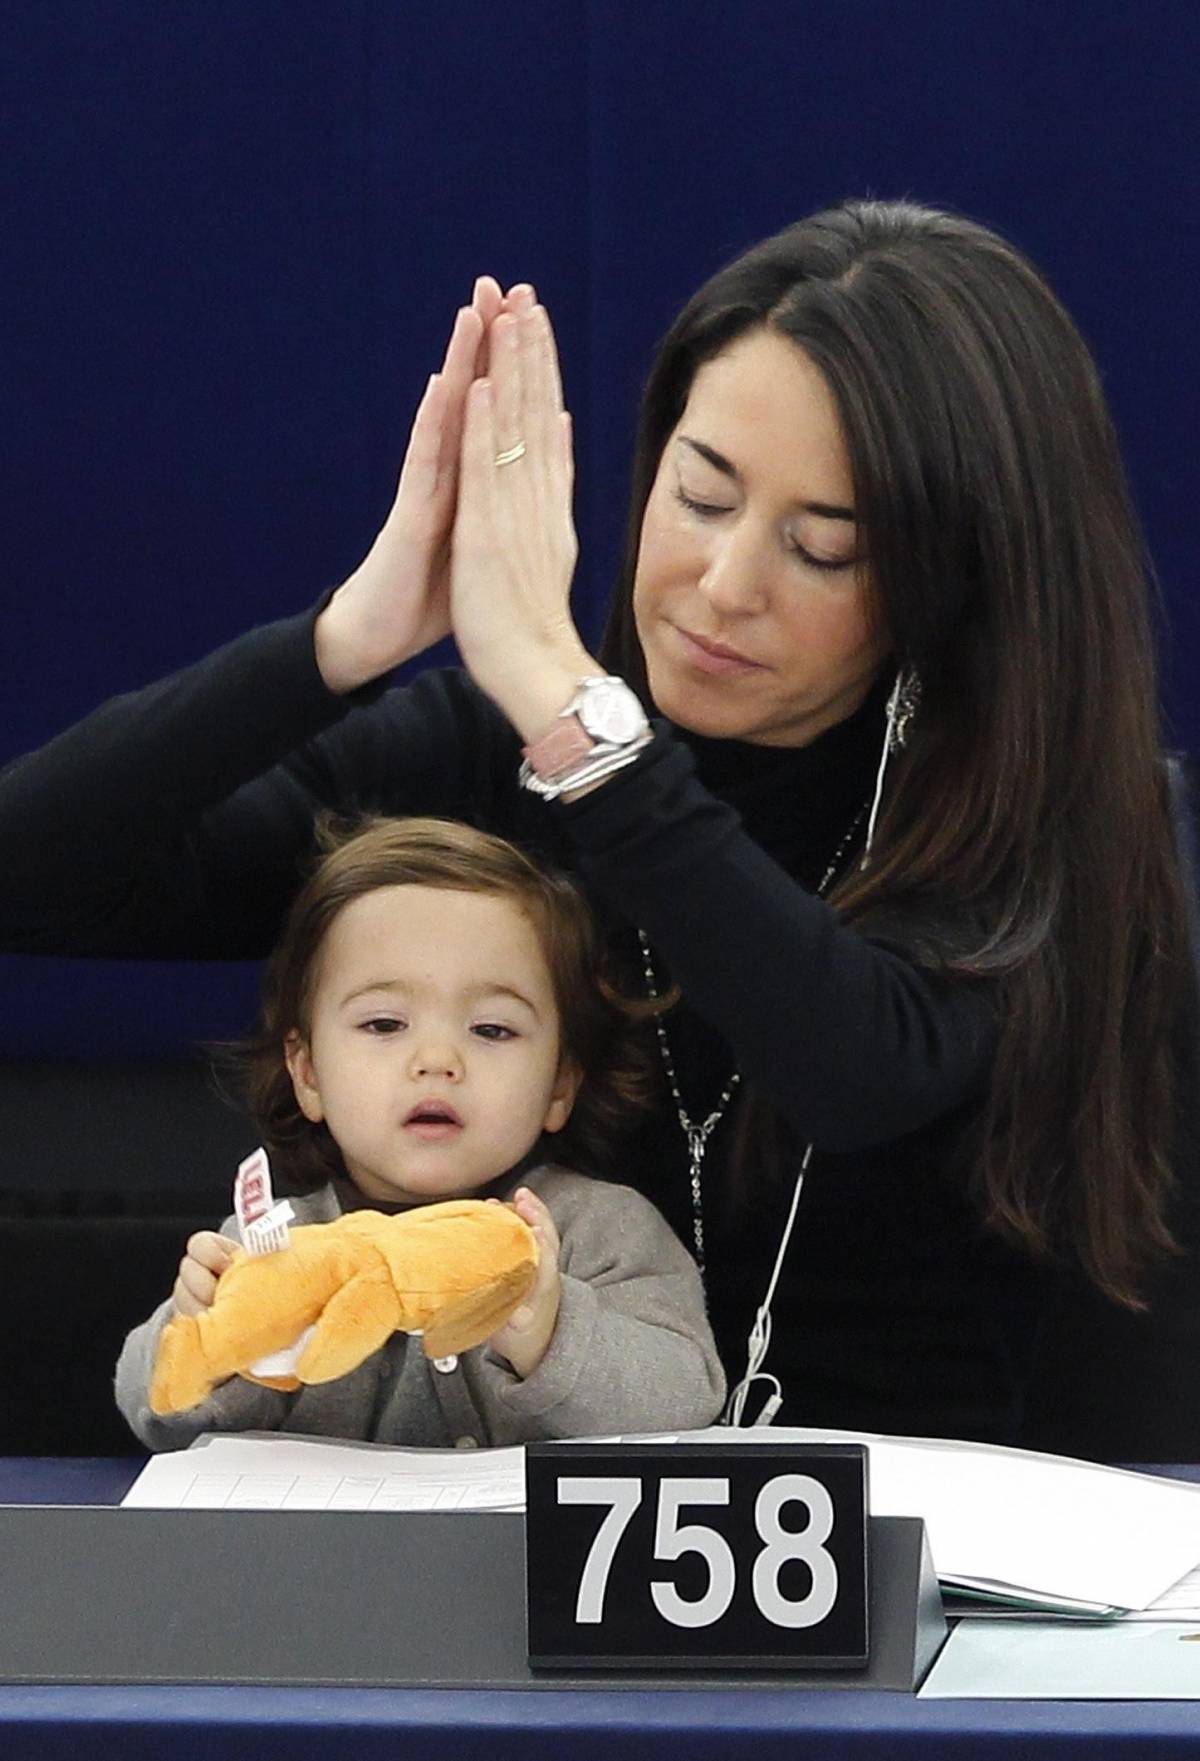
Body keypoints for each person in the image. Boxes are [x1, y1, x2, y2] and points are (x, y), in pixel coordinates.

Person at [3, 198, 1198, 1460]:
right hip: (528, 1580)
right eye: (701, 495)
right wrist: (341, 643)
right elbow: (31, 875)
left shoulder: (1059, 825)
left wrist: (575, 722)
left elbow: (862, 1067)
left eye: (822, 548)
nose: (724, 585)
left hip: (956, 1582)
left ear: (953, 585)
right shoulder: (490, 754)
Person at [114, 815, 725, 1449]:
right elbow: (154, 1412)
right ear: (309, 1074)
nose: (437, 1059)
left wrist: (551, 1329)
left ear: (559, 1087)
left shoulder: (600, 1230)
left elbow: (689, 1397)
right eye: (384, 1024)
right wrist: (208, 1334)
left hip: (523, 1549)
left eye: (492, 1029)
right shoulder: (278, 1240)